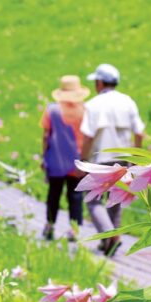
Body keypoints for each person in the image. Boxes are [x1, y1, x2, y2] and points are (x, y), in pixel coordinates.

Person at [79, 64, 145, 256]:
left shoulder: (93, 104)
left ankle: (111, 236)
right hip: (123, 160)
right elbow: (139, 132)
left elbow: (88, 136)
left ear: (99, 83)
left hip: (99, 159)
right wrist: (136, 158)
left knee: (93, 201)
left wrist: (83, 160)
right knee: (116, 198)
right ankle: (109, 242)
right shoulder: (128, 102)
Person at [41, 75, 90, 241]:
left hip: (55, 160)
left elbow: (46, 135)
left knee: (53, 194)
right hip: (76, 160)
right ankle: (74, 229)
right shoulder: (84, 111)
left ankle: (49, 225)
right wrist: (85, 160)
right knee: (75, 196)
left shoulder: (51, 110)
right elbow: (88, 137)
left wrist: (44, 157)